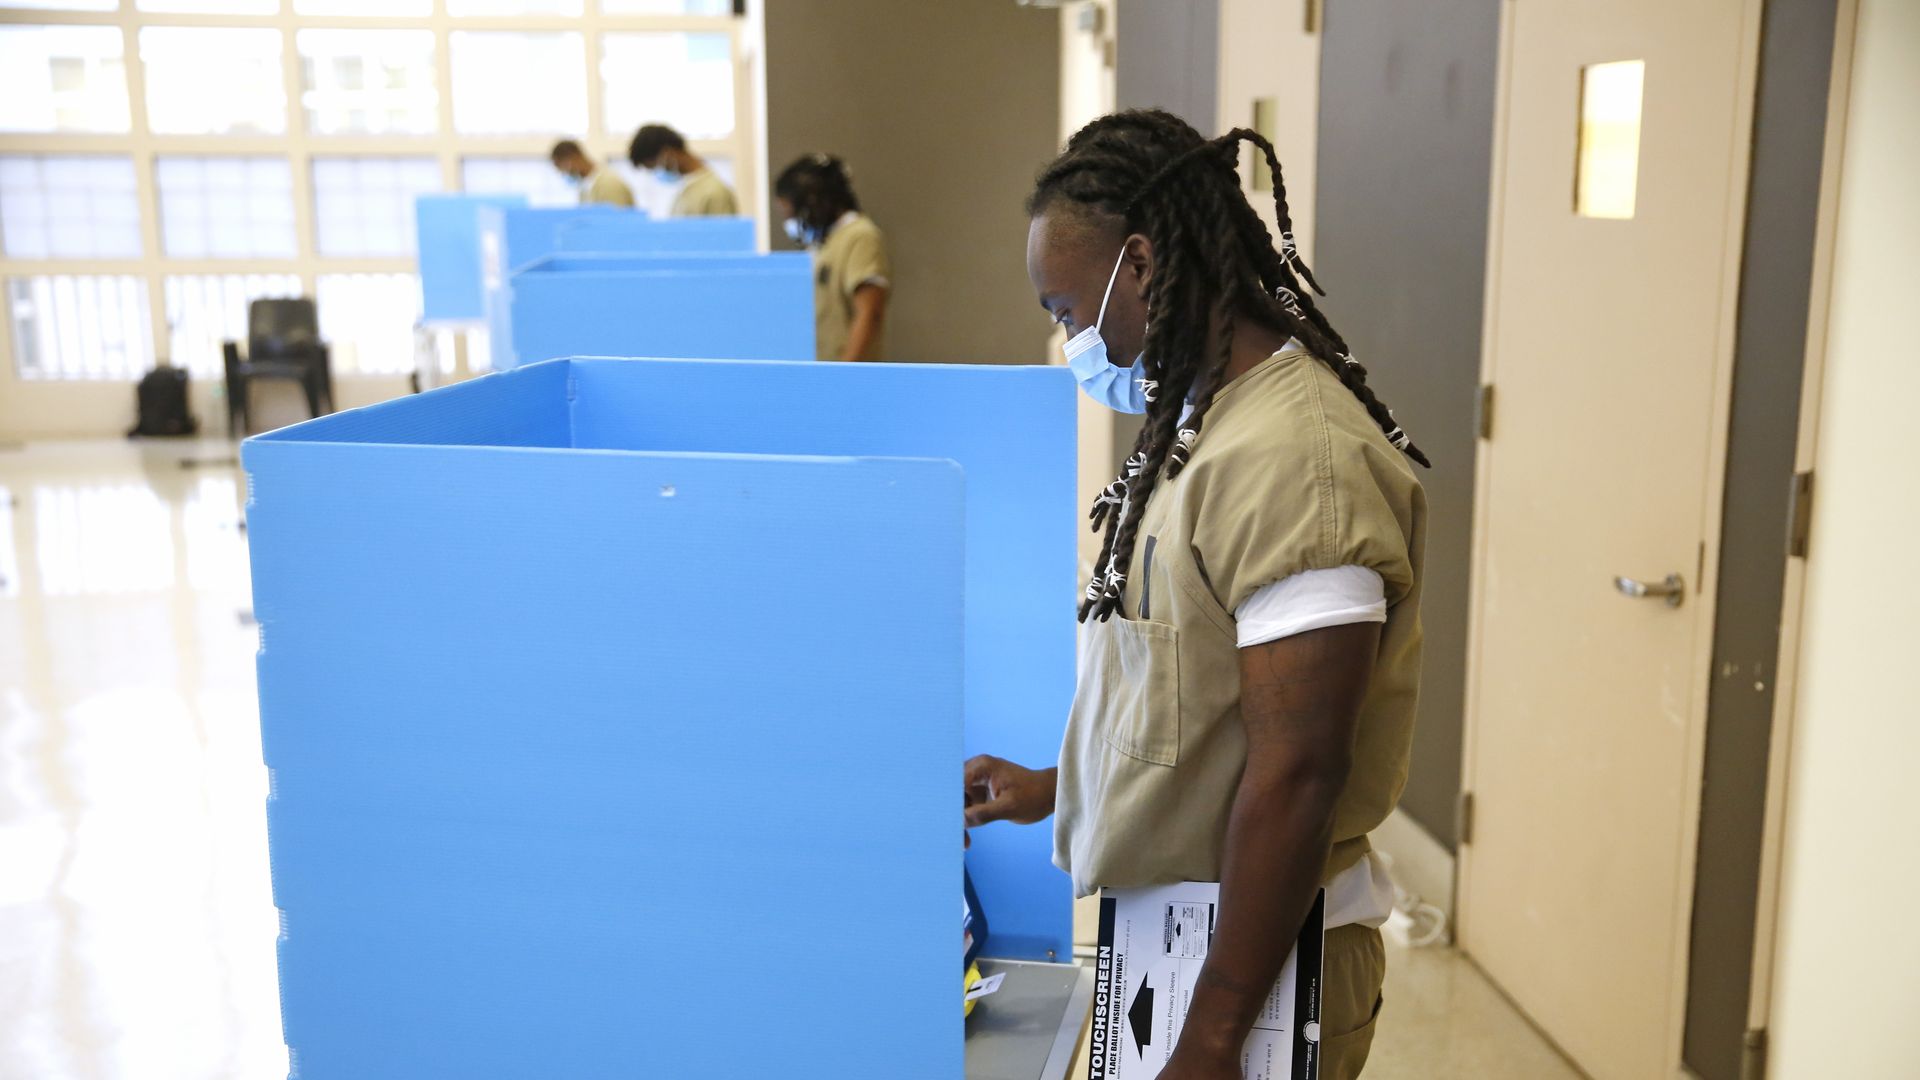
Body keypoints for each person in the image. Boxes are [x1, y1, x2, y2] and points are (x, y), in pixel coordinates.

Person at [963, 109, 1430, 1080]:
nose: (1066, 341)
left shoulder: (1298, 465)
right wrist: (1058, 793)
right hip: (1184, 957)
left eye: (1064, 311)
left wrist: (1213, 1034)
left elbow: (1299, 773)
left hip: (1256, 981)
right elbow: (1206, 706)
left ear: (1138, 264)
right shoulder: (1206, 429)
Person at [774, 153, 890, 363]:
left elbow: (870, 313)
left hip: (844, 376)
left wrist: (842, 375)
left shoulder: (860, 236)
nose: (791, 222)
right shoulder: (824, 241)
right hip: (821, 369)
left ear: (813, 202)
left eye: (792, 212)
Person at [628, 124, 739, 217]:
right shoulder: (686, 188)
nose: (657, 173)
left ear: (668, 153)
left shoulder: (715, 192)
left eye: (654, 167)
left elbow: (723, 239)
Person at [548, 140, 634, 208]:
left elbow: (617, 222)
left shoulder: (609, 183)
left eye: (561, 167)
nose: (563, 173)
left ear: (573, 158)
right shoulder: (585, 187)